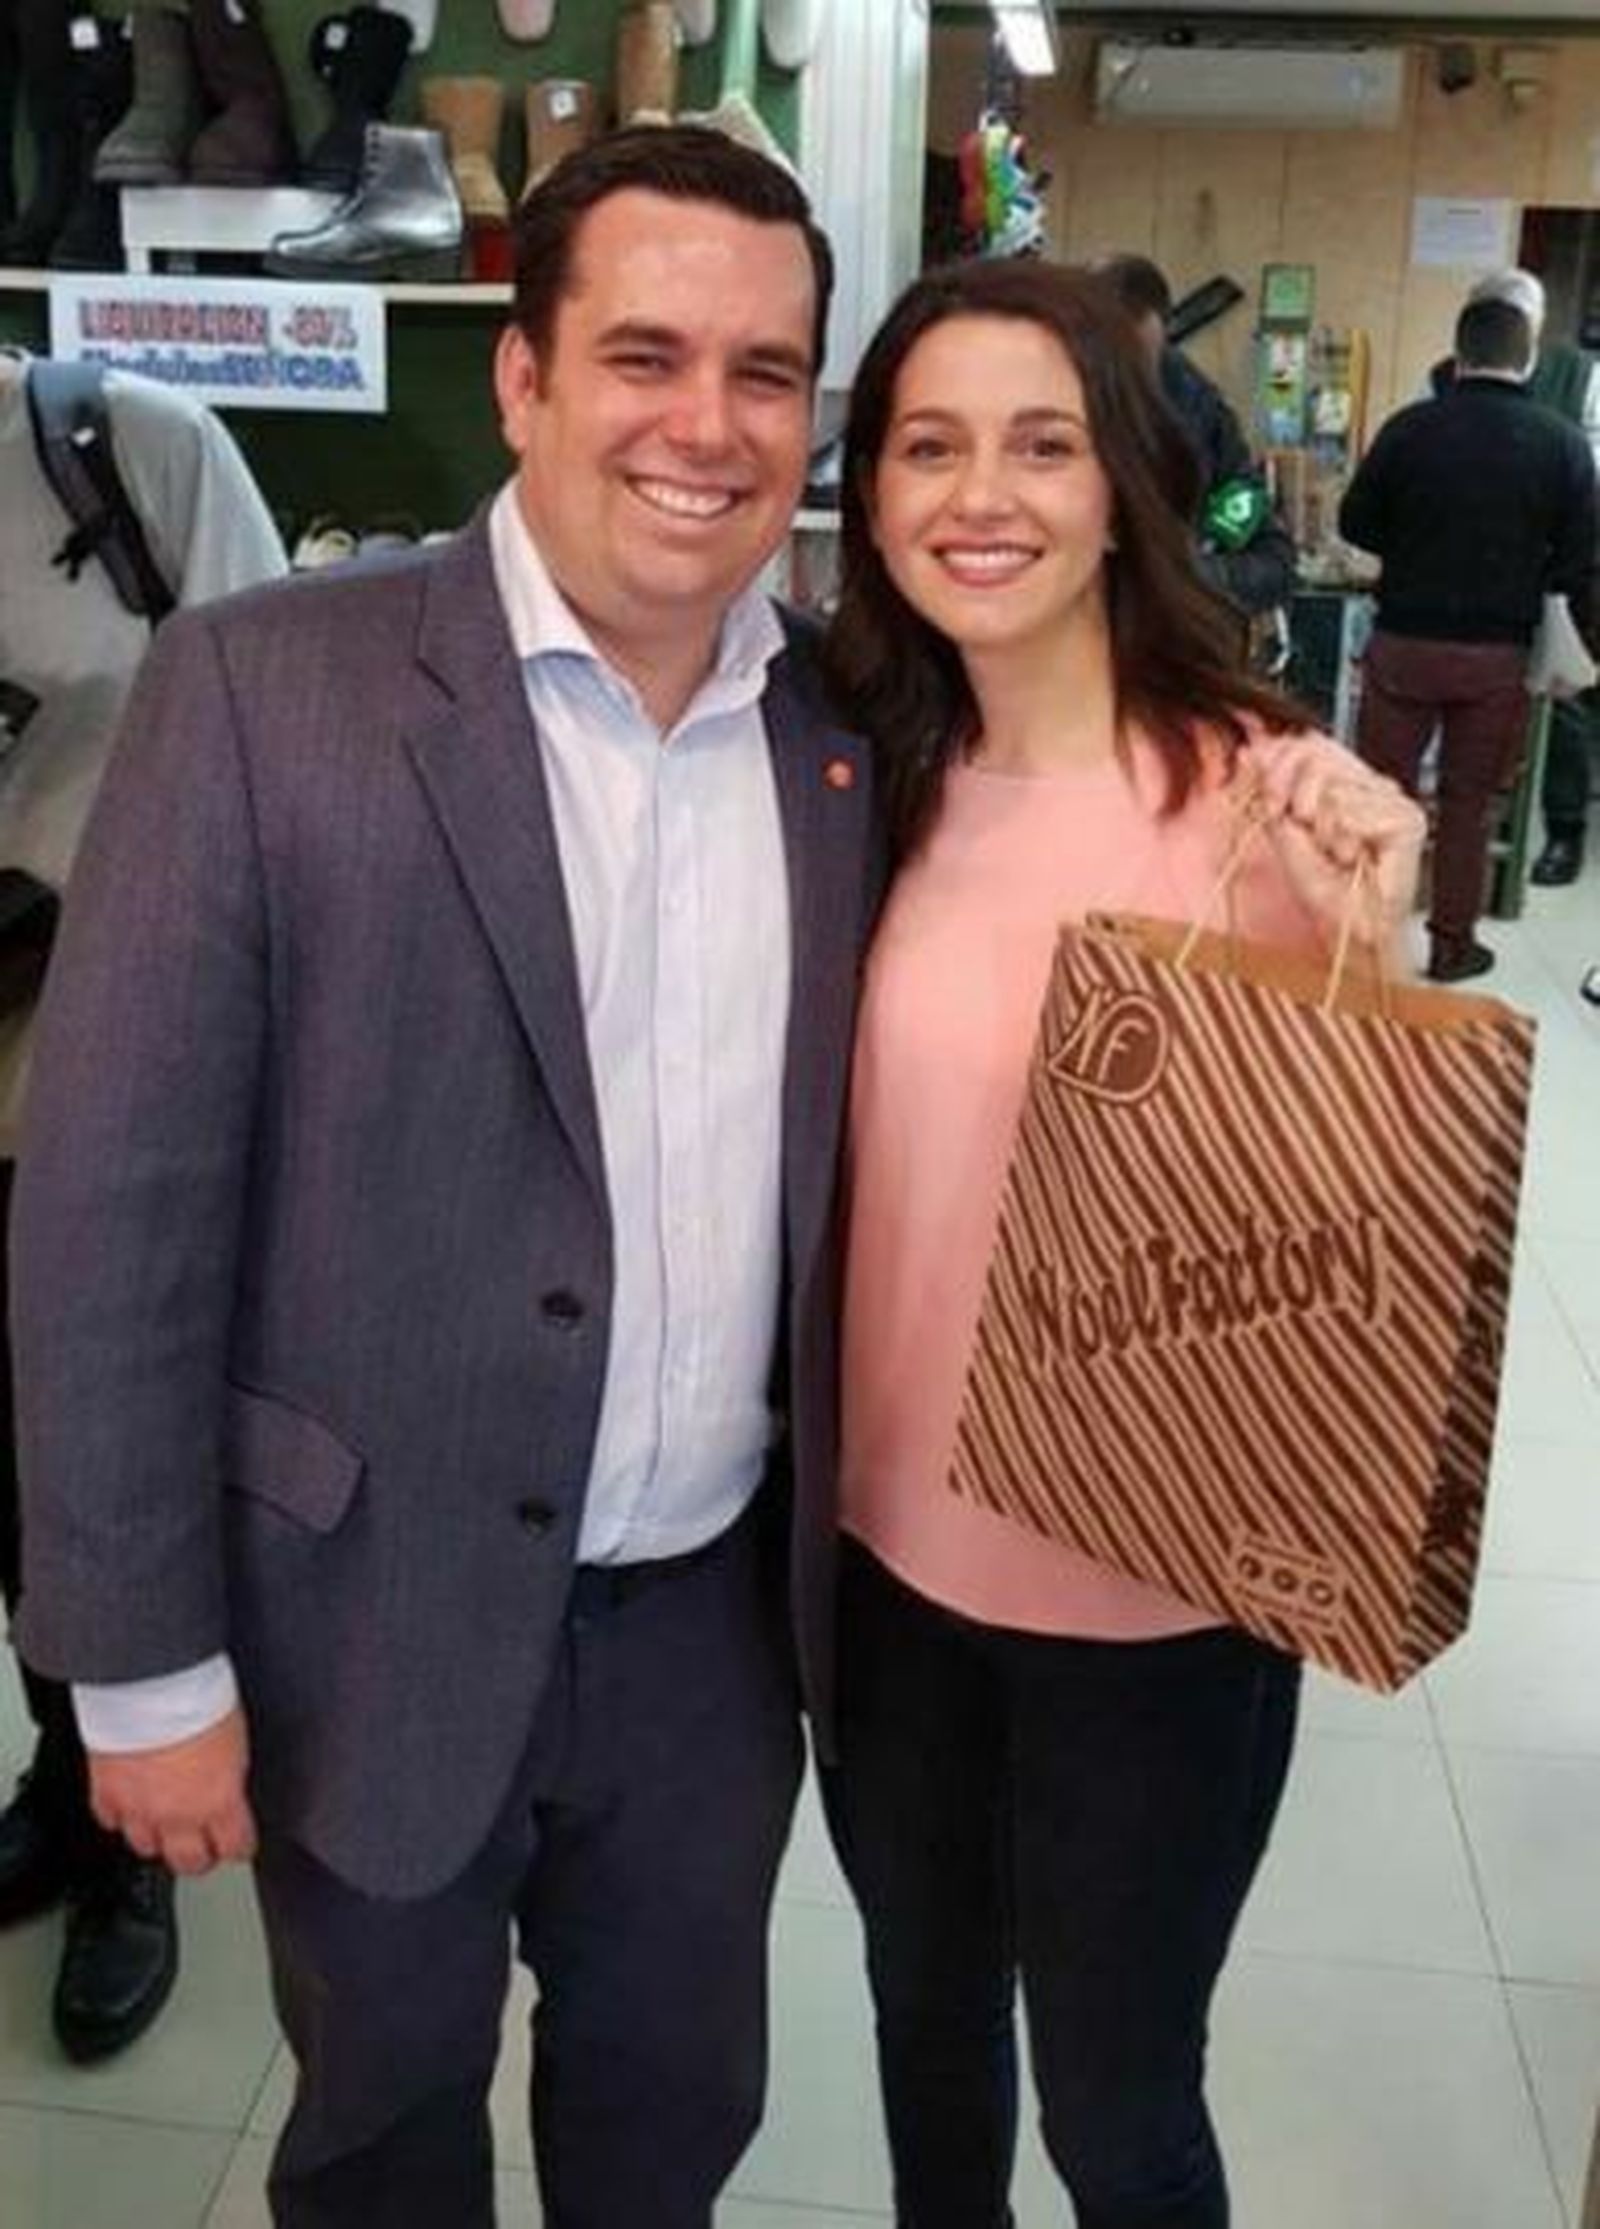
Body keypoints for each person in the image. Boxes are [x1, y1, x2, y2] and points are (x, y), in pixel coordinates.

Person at [10, 126, 877, 2228]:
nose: (705, 425)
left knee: (671, 2118)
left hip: (710, 1627)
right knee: (384, 2132)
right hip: (359, 1605)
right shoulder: (267, 691)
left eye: (765, 373)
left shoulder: (850, 731)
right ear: (521, 379)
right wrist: (135, 1665)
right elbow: (113, 1202)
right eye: (644, 354)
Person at [818, 257, 1423, 2229]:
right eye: (926, 443)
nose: (977, 493)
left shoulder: (1253, 796)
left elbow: (1360, 1192)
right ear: (871, 485)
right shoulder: (849, 773)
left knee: (1115, 2110)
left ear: (1118, 487)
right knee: (921, 2036)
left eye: (1039, 442)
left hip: (1152, 1610)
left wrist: (1371, 937)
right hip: (880, 1573)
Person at [0, 351, 284, 2061]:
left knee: (81, 1463)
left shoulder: (122, 454)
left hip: (87, 1096)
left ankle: (132, 1838)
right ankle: (58, 1760)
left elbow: (277, 753)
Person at [1342, 293, 1597, 982]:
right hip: (1496, 656)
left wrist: (1416, 540)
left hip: (1404, 645)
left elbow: (1355, 523)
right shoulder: (1562, 444)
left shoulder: (1409, 429)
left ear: (1458, 356)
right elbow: (1583, 562)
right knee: (1469, 803)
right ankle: (1453, 945)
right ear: (1529, 361)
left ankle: (1365, 941)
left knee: (1382, 794)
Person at [1428, 267, 1600, 889]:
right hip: (1471, 564)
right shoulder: (1448, 374)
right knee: (1477, 709)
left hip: (1555, 554)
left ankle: (1564, 832)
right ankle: (1481, 834)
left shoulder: (1580, 376)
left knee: (1562, 697)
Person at [1095, 251, 1298, 626]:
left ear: (1160, 332)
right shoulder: (1037, 403)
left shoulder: (1199, 412)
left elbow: (1273, 561)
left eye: (1135, 359)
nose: (1121, 379)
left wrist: (1183, 577)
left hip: (1165, 649)